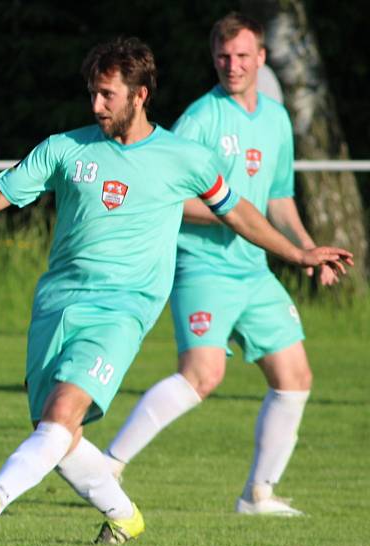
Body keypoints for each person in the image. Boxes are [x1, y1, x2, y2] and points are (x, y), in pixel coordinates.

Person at [0, 37, 351, 544]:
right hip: (57, 305)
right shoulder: (66, 148)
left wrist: (298, 253)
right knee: (58, 432)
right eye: (93, 93)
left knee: (63, 414)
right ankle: (125, 515)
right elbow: (0, 190)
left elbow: (237, 212)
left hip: (123, 309)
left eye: (107, 94)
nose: (96, 105)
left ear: (140, 94)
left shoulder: (183, 157)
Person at [102, 13, 338, 517]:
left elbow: (278, 198)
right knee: (202, 375)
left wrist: (307, 250)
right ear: (214, 59)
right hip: (203, 267)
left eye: (243, 56)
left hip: (254, 270)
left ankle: (257, 495)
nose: (233, 66)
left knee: (295, 375)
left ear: (262, 59)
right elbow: (169, 194)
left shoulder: (276, 118)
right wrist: (227, 216)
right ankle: (110, 465)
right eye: (224, 57)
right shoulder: (201, 119)